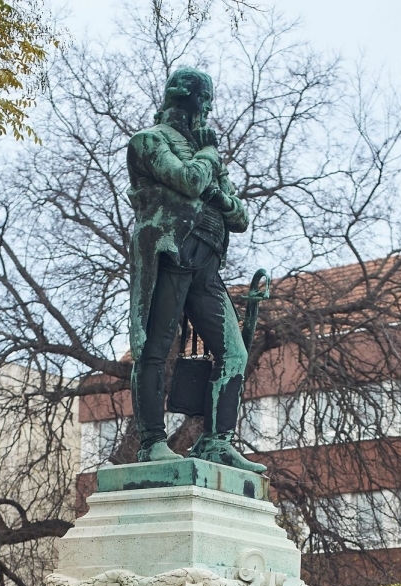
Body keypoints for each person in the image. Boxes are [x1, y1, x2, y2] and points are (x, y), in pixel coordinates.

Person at [127, 67, 265, 473]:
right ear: (184, 99)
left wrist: (214, 187)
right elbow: (188, 180)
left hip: (206, 261)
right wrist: (208, 159)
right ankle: (152, 441)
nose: (207, 109)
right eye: (204, 100)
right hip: (170, 256)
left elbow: (239, 215)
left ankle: (216, 441)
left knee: (234, 352)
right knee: (154, 347)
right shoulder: (149, 142)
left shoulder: (204, 151)